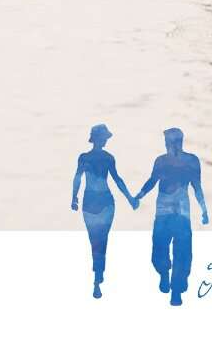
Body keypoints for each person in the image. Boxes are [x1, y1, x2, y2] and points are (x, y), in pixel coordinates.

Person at [132, 129, 208, 307]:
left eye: (167, 142)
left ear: (174, 143)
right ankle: (171, 280)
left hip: (170, 213)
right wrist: (139, 196)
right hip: (176, 213)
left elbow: (195, 186)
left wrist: (204, 209)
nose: (166, 145)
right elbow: (153, 181)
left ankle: (172, 285)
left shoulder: (174, 161)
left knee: (167, 248)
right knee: (175, 250)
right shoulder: (186, 161)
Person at [71, 124, 135, 299]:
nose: (106, 140)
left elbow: (116, 179)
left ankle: (98, 274)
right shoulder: (102, 158)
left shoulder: (92, 158)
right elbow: (78, 177)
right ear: (99, 138)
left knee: (97, 240)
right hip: (100, 202)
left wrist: (74, 198)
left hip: (96, 202)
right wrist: (73, 197)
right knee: (98, 240)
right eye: (105, 137)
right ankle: (98, 272)